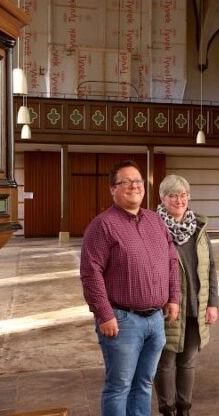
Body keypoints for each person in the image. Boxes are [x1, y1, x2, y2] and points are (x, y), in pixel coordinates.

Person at [80, 160, 181, 416]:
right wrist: (104, 314)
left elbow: (171, 261)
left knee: (144, 384)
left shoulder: (155, 221)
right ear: (113, 189)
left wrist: (173, 298)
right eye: (127, 182)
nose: (134, 186)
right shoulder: (102, 226)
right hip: (122, 320)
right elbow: (91, 273)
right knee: (119, 386)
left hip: (156, 319)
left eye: (138, 181)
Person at [153, 175, 219, 416]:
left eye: (183, 195)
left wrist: (212, 303)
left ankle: (184, 408)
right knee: (166, 361)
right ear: (162, 198)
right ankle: (167, 408)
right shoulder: (153, 227)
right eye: (173, 195)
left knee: (188, 361)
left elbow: (211, 269)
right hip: (168, 307)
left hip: (196, 306)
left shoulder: (199, 229)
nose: (179, 200)